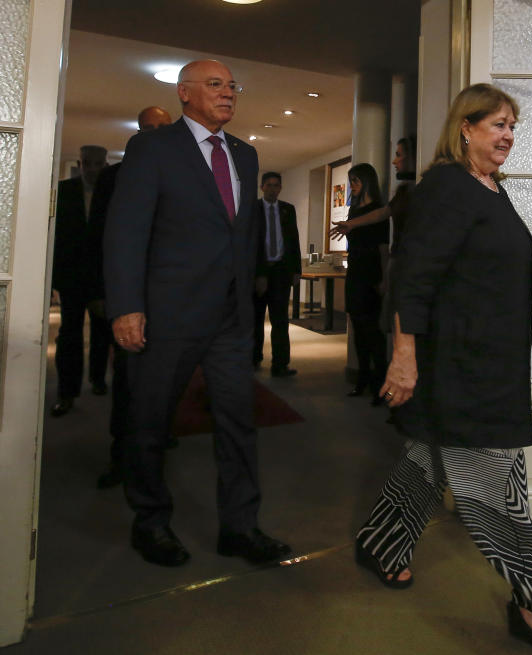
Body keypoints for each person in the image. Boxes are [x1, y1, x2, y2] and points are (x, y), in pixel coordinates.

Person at [355, 83, 532, 654]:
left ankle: (381, 543)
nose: (509, 135)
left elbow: (479, 264)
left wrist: (529, 277)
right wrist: (404, 359)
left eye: (513, 126)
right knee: (496, 485)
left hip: (490, 363)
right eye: (497, 125)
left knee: (427, 461)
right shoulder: (445, 185)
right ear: (466, 128)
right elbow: (415, 277)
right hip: (458, 367)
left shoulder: (492, 190)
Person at [104, 60, 291, 567]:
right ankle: (151, 523)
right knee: (150, 422)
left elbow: (240, 232)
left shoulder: (246, 156)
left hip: (230, 319)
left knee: (238, 423)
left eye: (232, 86)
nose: (228, 93)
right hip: (167, 314)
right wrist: (126, 305)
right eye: (215, 85)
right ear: (184, 93)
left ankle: (240, 527)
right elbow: (126, 230)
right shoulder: (154, 148)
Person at [86, 106, 173, 489]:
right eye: (148, 128)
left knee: (166, 379)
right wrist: (101, 293)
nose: (153, 134)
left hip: (170, 299)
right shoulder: (113, 177)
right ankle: (121, 457)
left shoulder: (182, 176)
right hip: (127, 297)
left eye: (161, 129)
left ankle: (158, 444)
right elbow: (99, 239)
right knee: (126, 380)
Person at [50, 144, 112, 417]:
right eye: (88, 163)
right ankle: (67, 391)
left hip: (102, 278)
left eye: (98, 163)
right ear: (80, 162)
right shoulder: (64, 192)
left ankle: (97, 379)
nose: (92, 169)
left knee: (102, 333)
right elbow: (56, 239)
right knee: (69, 335)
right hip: (72, 278)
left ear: (105, 164)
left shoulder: (113, 194)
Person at [343, 163, 389, 405]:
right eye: (351, 181)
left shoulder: (379, 209)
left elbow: (383, 249)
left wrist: (383, 278)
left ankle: (378, 383)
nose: (353, 186)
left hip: (371, 272)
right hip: (356, 270)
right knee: (358, 331)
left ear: (368, 181)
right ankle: (363, 379)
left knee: (372, 331)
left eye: (356, 181)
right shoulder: (354, 210)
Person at [253, 171, 301, 377]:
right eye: (269, 185)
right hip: (258, 272)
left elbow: (293, 241)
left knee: (280, 320)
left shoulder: (287, 210)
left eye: (276, 185)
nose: (273, 189)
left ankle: (280, 364)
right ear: (262, 187)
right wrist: (258, 273)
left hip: (281, 272)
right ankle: (253, 358)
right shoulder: (252, 209)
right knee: (255, 319)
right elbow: (251, 244)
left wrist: (296, 270)